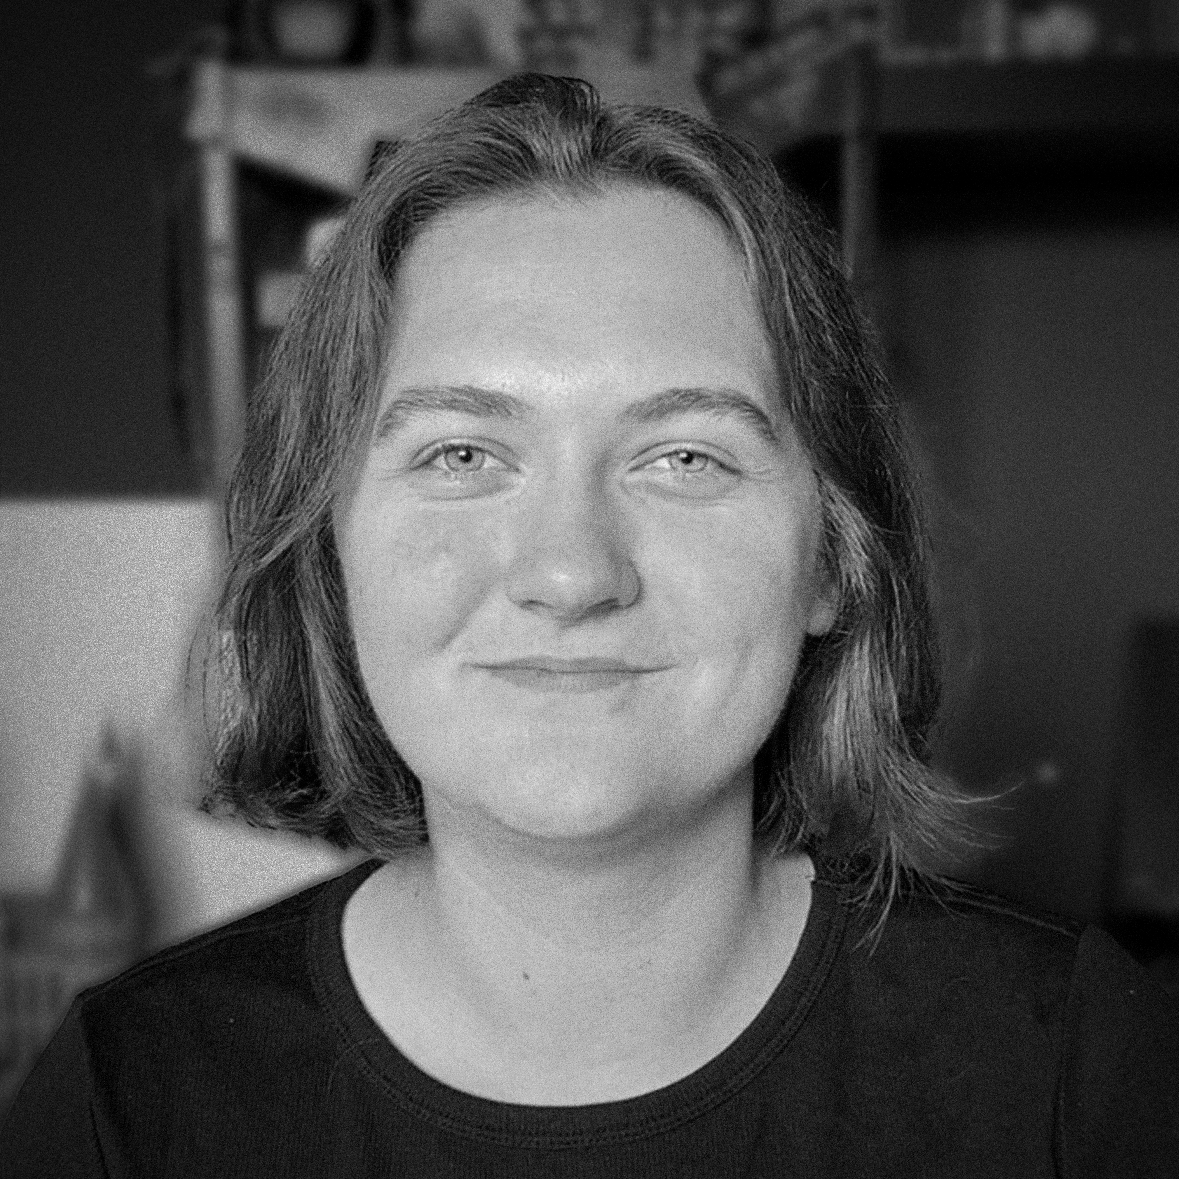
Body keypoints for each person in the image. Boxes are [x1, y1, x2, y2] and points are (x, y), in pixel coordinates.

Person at [3, 73, 1176, 1177]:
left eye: (685, 458)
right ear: (330, 549)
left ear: (833, 557)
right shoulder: (127, 1104)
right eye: (462, 454)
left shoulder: (1073, 1073)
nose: (571, 572)